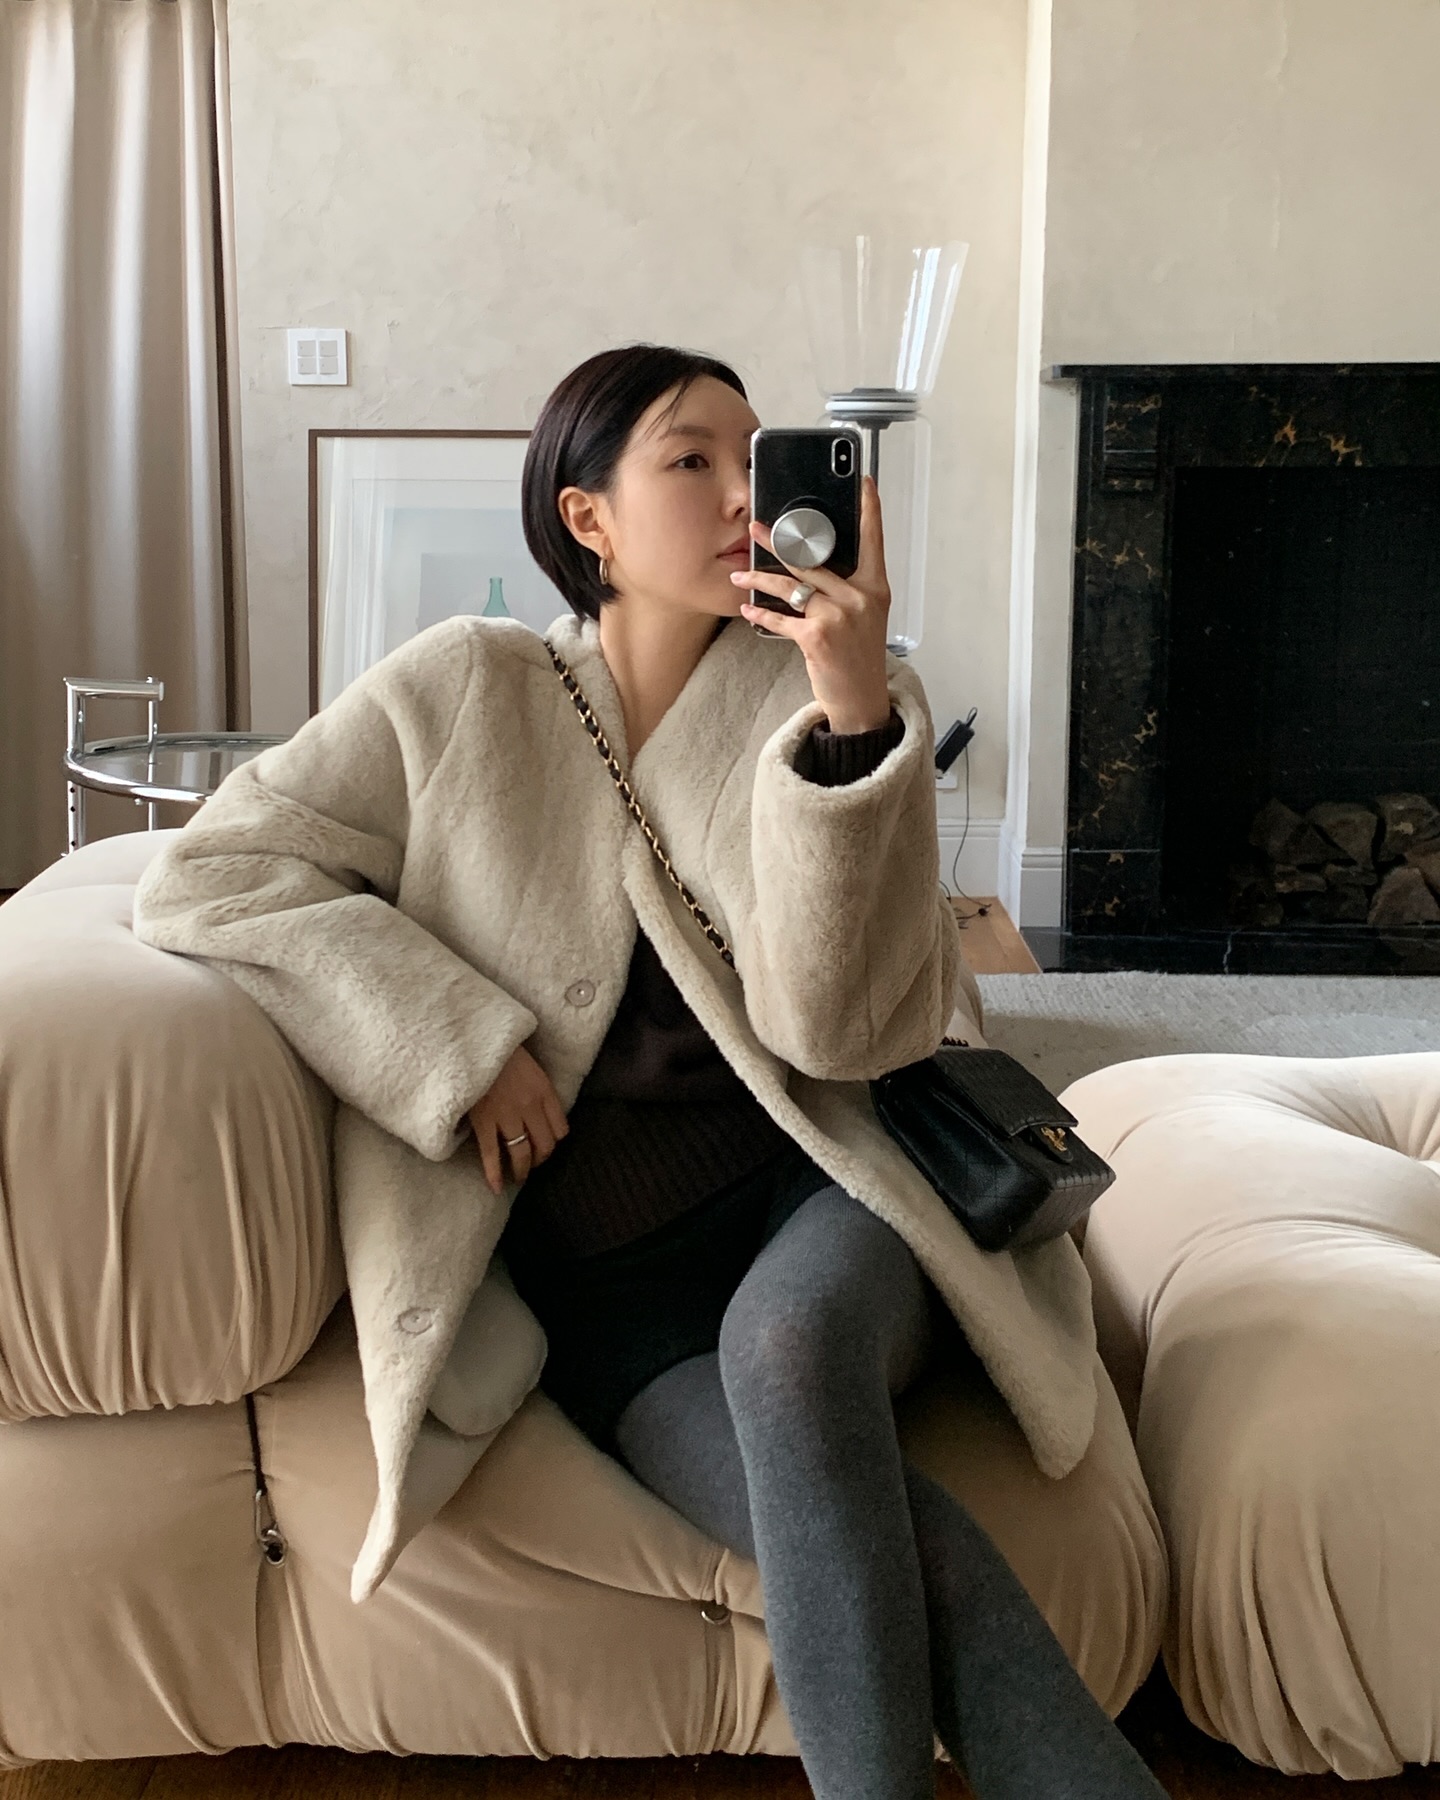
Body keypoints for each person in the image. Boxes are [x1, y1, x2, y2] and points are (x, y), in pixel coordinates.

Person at [134, 344, 1165, 1800]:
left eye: (758, 457)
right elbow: (215, 870)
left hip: (828, 1197)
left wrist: (852, 716)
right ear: (589, 518)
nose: (747, 494)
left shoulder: (835, 695)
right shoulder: (462, 688)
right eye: (693, 461)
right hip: (612, 1303)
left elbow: (844, 1038)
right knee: (890, 1547)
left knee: (789, 1351)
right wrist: (459, 1041)